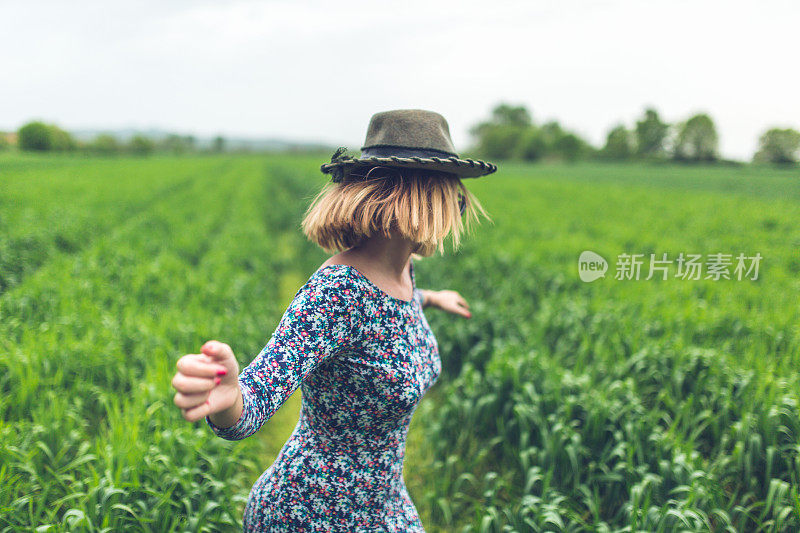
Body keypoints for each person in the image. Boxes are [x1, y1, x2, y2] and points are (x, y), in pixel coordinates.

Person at [171, 109, 497, 531]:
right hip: (310, 513)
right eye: (453, 192)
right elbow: (252, 402)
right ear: (425, 195)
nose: (459, 204)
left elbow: (389, 311)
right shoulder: (339, 291)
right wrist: (229, 396)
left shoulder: (404, 271)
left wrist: (431, 299)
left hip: (384, 505)